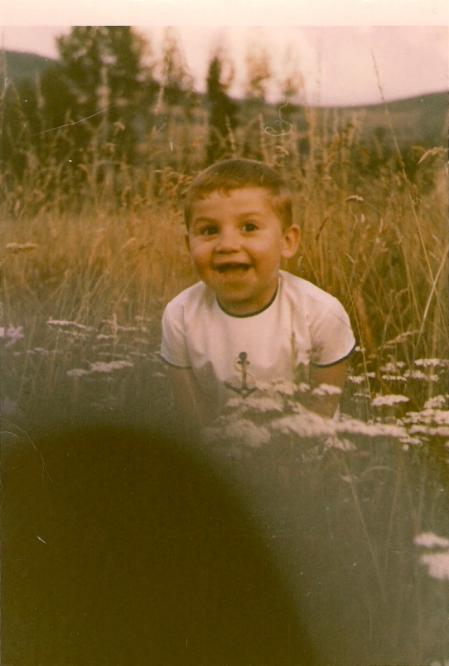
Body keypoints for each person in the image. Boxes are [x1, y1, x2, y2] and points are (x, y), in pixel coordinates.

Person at [161, 158, 356, 430]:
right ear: (188, 244)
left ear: (287, 241)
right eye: (209, 230)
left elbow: (321, 411)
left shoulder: (322, 314)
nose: (227, 245)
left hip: (303, 446)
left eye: (249, 227)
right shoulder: (180, 315)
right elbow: (192, 417)